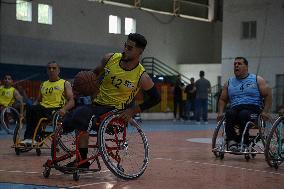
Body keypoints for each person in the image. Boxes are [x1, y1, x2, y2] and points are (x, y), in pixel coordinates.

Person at [62, 33, 161, 168]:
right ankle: (83, 160)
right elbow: (93, 75)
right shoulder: (110, 58)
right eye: (126, 45)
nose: (126, 49)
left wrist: (133, 110)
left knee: (81, 114)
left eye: (130, 48)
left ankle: (81, 158)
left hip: (115, 112)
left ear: (140, 52)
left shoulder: (142, 76)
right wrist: (80, 86)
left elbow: (156, 98)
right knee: (71, 118)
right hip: (96, 105)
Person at [217, 57, 272, 151]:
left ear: (246, 66)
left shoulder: (257, 79)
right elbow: (222, 99)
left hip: (253, 109)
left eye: (239, 64)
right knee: (229, 113)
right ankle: (232, 141)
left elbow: (268, 95)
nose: (236, 66)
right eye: (235, 64)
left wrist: (265, 112)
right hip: (235, 109)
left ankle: (244, 141)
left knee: (244, 114)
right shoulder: (229, 82)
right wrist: (220, 113)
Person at [20, 61, 75, 145]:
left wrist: (64, 109)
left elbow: (72, 100)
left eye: (54, 68)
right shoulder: (43, 84)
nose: (51, 70)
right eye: (49, 68)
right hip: (43, 108)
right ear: (47, 71)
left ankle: (34, 138)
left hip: (56, 109)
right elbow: (38, 100)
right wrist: (28, 111)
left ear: (58, 70)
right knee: (31, 108)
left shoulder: (64, 83)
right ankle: (29, 138)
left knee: (36, 111)